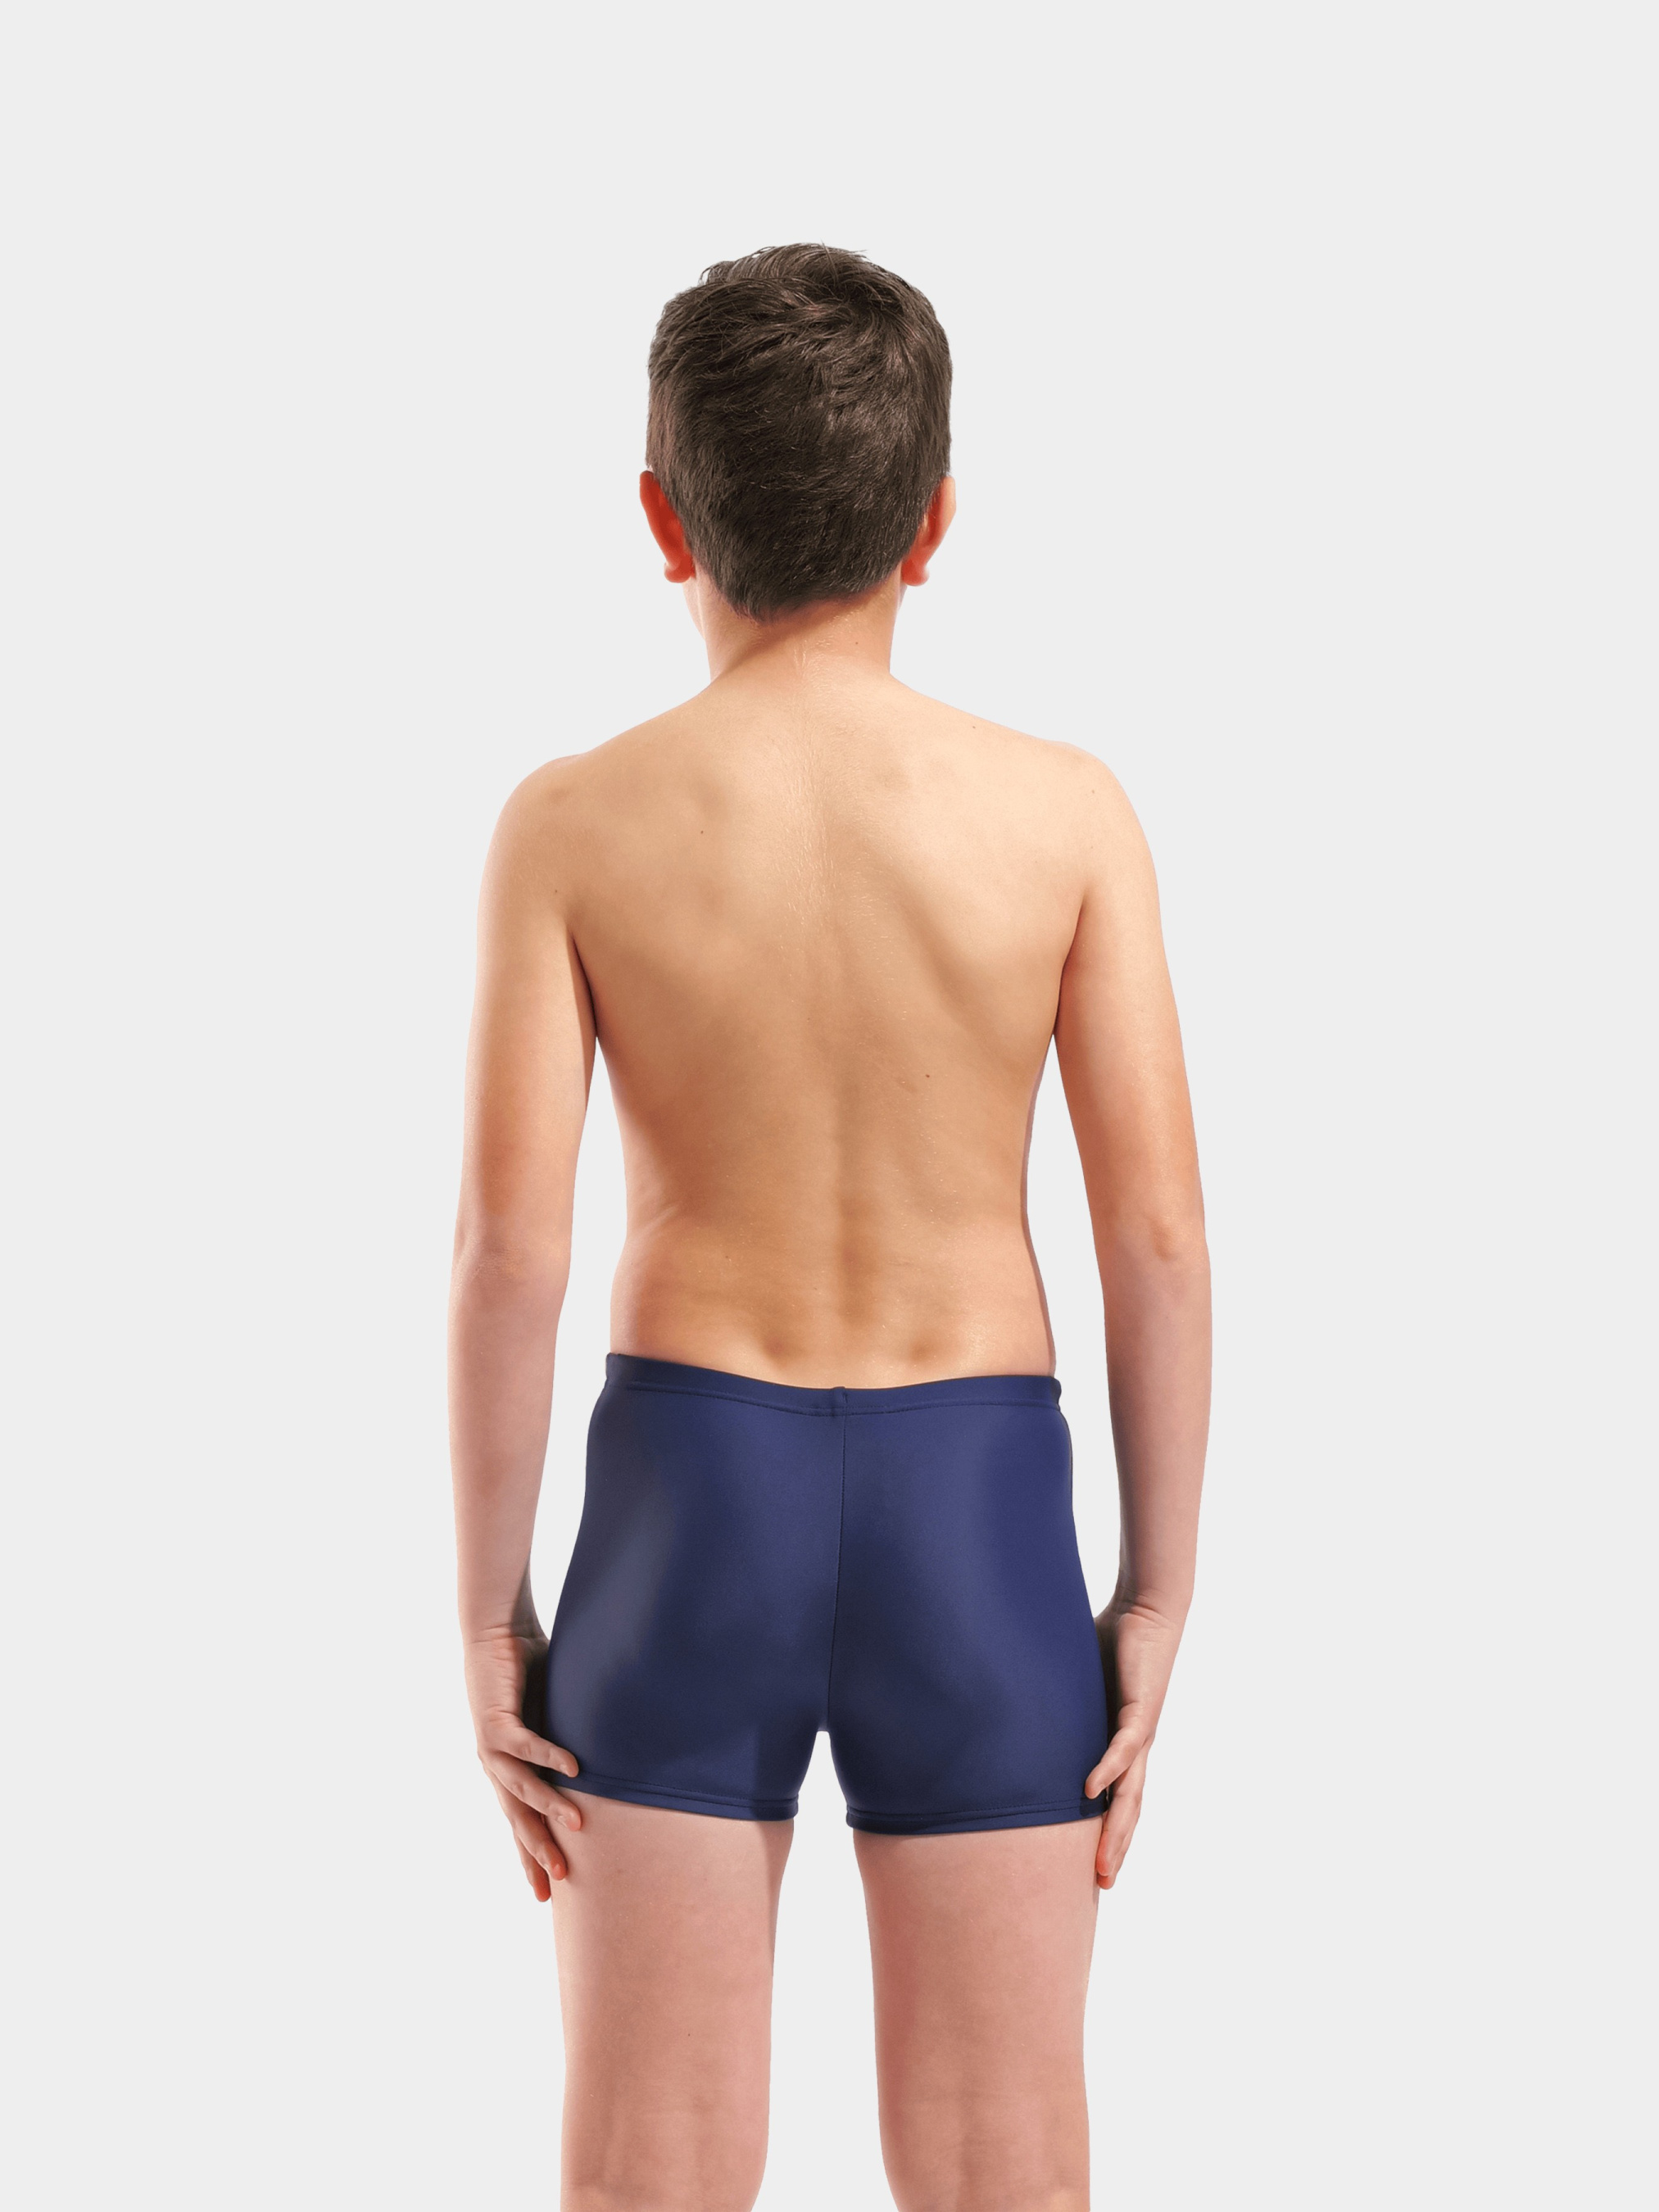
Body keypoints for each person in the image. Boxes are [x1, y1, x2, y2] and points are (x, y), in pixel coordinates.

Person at [448, 243, 1210, 2212]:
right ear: (933, 523)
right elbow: (1153, 1241)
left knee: (649, 2170)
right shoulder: (1064, 815)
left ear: (660, 518)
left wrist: (489, 1610)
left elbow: (509, 1255)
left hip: (685, 1501)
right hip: (978, 1508)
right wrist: (1151, 1595)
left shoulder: (573, 822)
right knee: (1002, 2168)